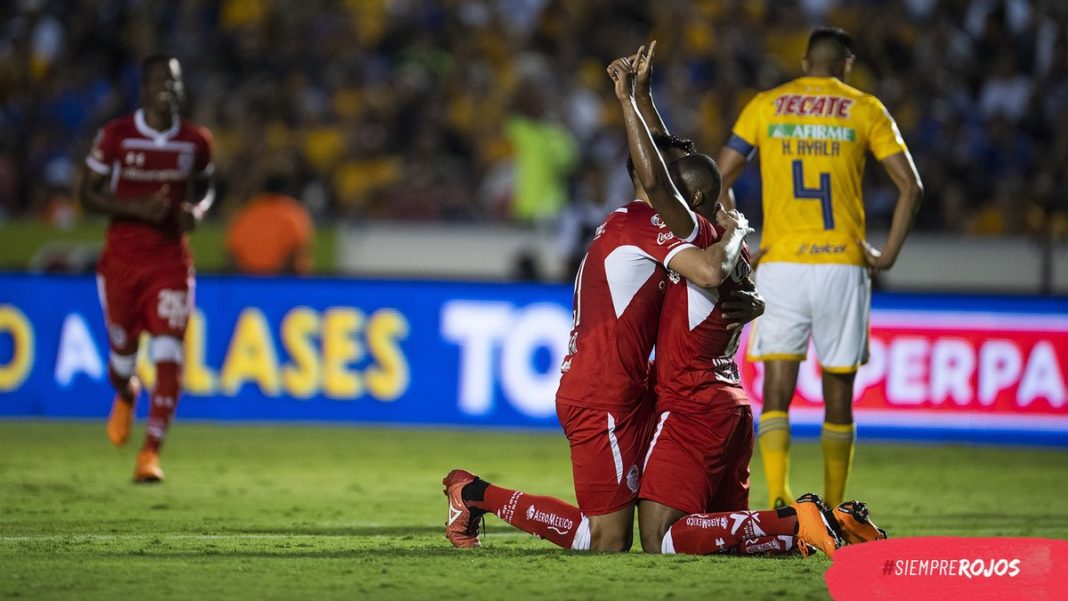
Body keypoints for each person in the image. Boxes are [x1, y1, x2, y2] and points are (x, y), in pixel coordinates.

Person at [442, 46, 764, 553]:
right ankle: (474, 493)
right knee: (607, 541)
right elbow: (675, 207)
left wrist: (641, 96)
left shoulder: (651, 224)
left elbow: (660, 170)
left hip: (635, 393)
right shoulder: (645, 225)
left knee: (655, 529)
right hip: (601, 394)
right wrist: (626, 102)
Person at [715, 27, 924, 508]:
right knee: (838, 392)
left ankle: (781, 498)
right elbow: (910, 186)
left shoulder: (767, 105)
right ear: (846, 65)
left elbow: (721, 173)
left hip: (782, 263)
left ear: (806, 61)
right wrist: (886, 255)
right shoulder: (866, 108)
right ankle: (834, 507)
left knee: (777, 389)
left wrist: (743, 238)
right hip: (842, 265)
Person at [76, 54, 215, 483]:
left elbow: (207, 187)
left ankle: (150, 452)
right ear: (144, 89)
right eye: (159, 81)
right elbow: (87, 195)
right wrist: (134, 207)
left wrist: (199, 210)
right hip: (121, 263)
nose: (168, 88)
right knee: (122, 361)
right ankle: (127, 390)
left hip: (170, 261)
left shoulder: (196, 141)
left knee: (170, 350)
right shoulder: (117, 136)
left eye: (174, 81)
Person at [226, 170, 314, 275]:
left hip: (248, 282)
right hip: (281, 284)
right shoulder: (294, 214)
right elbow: (296, 254)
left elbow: (232, 256)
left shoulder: (245, 213)